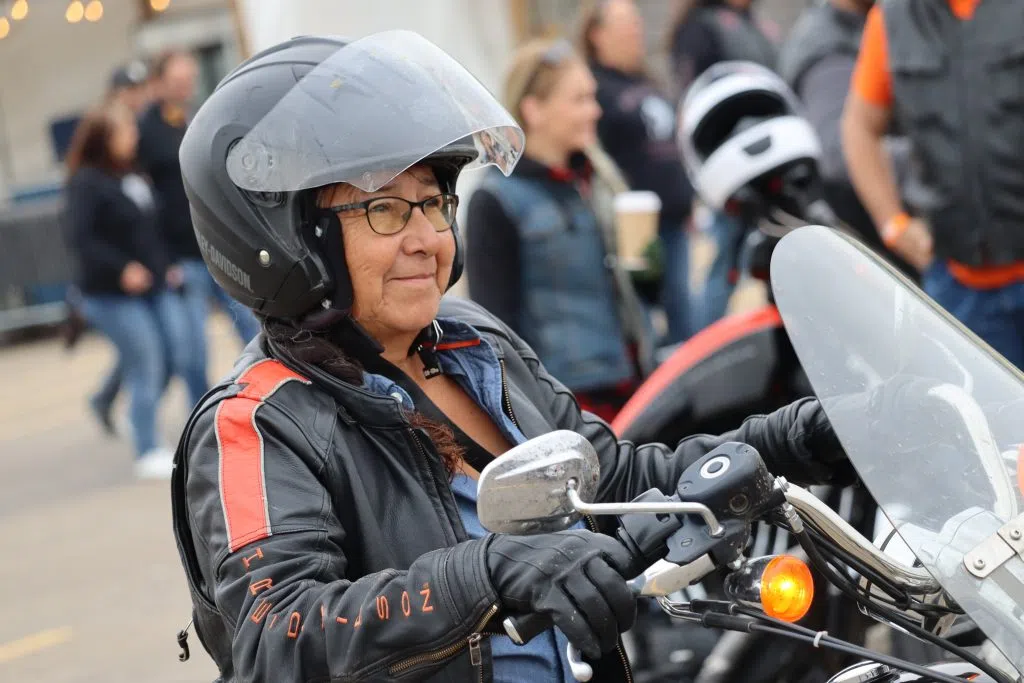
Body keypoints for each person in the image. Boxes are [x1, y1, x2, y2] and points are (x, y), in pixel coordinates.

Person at [171, 32, 853, 683]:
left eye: (434, 203)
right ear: (291, 236)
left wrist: (789, 437)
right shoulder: (259, 421)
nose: (427, 237)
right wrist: (488, 573)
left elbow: (614, 480)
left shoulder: (474, 346)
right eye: (385, 210)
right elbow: (278, 630)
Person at [465, 37, 651, 422]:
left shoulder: (597, 180)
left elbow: (630, 292)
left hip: (633, 381)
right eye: (580, 99)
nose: (595, 111)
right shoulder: (495, 200)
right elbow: (495, 329)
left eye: (593, 98)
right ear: (534, 110)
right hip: (569, 402)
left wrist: (649, 273)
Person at [841, 0, 1024, 369]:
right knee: (994, 422)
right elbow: (860, 126)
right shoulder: (893, 19)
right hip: (959, 292)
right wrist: (892, 224)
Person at [63, 102, 207, 478]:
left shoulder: (132, 173)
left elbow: (149, 230)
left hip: (154, 286)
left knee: (174, 353)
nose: (134, 137)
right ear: (104, 139)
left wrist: (167, 266)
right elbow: (81, 239)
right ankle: (147, 448)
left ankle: (121, 408)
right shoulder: (87, 182)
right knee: (145, 359)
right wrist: (122, 267)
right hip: (108, 294)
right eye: (125, 132)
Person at [577, 0, 696, 346]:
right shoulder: (595, 88)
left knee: (682, 314)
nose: (636, 31)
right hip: (637, 226)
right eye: (625, 24)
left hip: (673, 218)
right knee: (644, 318)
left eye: (636, 23)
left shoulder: (645, 79)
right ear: (597, 35)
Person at [137, 49, 261, 369]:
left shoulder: (197, 118)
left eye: (189, 80)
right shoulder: (145, 131)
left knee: (252, 329)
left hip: (216, 243)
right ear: (159, 83)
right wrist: (161, 258)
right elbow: (142, 202)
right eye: (178, 81)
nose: (185, 87)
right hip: (181, 254)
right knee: (193, 349)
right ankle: (199, 413)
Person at [776, 0, 917, 280]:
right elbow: (839, 153)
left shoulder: (867, 24)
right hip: (871, 260)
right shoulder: (827, 47)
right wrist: (947, 163)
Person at [664, 0, 781, 333]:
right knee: (723, 265)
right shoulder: (701, 28)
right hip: (729, 168)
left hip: (770, 161)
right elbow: (692, 101)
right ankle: (709, 338)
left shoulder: (753, 24)